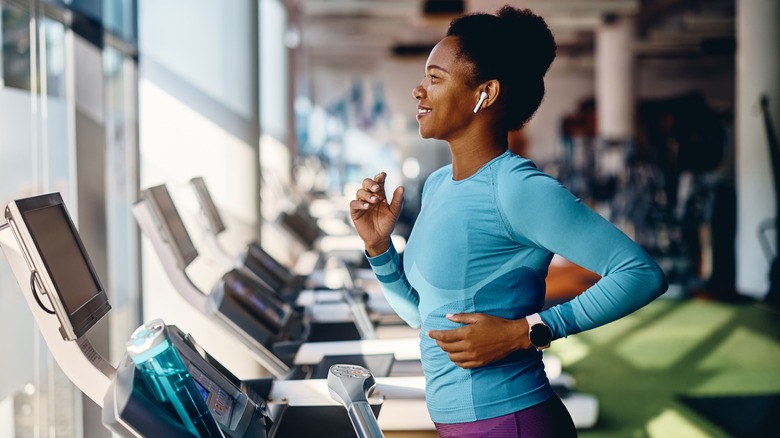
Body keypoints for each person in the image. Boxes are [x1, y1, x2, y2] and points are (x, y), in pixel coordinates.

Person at [349, 5, 668, 437]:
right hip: (458, 424)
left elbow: (641, 273)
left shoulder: (518, 189)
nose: (418, 91)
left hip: (513, 422)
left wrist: (529, 332)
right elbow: (422, 317)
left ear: (486, 93)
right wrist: (379, 249)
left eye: (435, 78)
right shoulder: (440, 184)